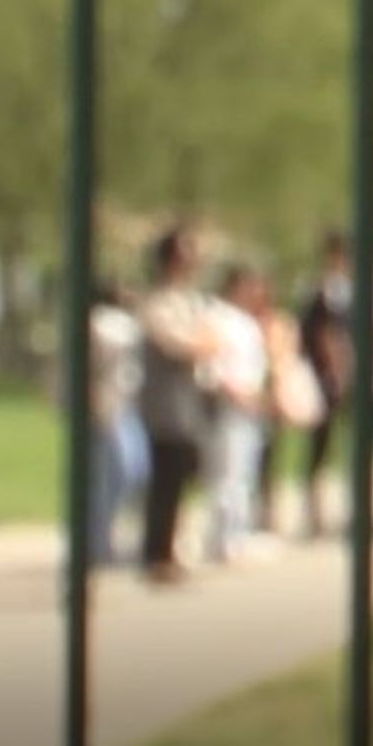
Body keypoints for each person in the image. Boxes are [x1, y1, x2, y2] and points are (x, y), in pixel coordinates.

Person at [137, 227, 219, 584]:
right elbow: (181, 344)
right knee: (166, 477)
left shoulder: (190, 301)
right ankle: (157, 554)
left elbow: (210, 339)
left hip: (189, 403)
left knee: (184, 473)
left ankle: (171, 546)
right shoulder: (159, 303)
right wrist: (201, 342)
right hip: (165, 404)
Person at [204, 266, 275, 566]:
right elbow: (213, 365)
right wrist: (237, 394)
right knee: (227, 475)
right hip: (228, 406)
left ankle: (237, 533)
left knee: (244, 474)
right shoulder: (218, 318)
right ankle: (223, 538)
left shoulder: (248, 323)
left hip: (251, 405)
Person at [297, 233, 352, 538]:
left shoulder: (347, 290)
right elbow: (326, 334)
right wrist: (337, 371)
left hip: (344, 372)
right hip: (325, 374)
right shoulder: (324, 291)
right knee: (321, 441)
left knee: (336, 444)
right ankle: (314, 510)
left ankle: (328, 508)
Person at [89, 281, 147, 567]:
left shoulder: (121, 324)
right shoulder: (106, 324)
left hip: (125, 406)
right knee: (111, 476)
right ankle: (98, 543)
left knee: (133, 471)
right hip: (108, 406)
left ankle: (109, 540)